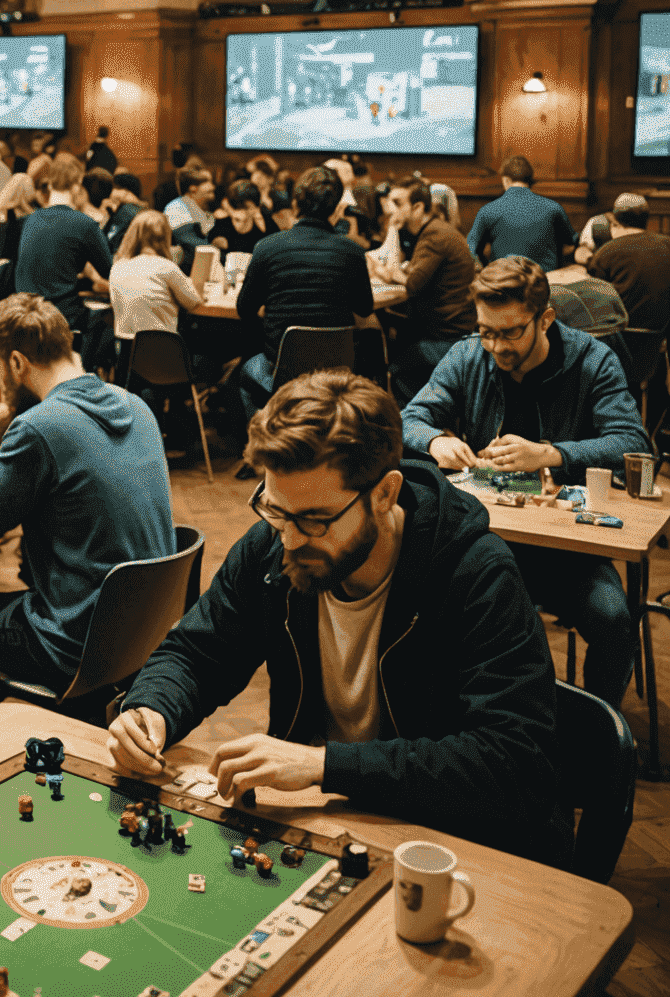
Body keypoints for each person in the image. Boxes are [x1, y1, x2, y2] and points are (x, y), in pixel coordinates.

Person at [108, 370, 570, 868]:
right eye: (274, 509)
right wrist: (151, 708)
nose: (287, 539)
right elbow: (198, 652)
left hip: (448, 848)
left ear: (385, 494)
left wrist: (322, 765)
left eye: (314, 520)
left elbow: (512, 763)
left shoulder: (476, 572)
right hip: (327, 826)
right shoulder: (275, 546)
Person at [0, 294, 175, 724]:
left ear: (18, 363)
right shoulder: (137, 406)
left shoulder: (40, 426)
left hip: (72, 639)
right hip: (141, 634)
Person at [402, 257, 648, 705]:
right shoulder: (469, 353)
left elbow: (633, 443)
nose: (495, 346)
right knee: (415, 601)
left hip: (567, 551)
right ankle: (462, 724)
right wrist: (436, 440)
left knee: (613, 620)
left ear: (545, 319)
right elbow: (409, 419)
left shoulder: (592, 360)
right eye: (486, 330)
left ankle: (597, 742)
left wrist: (552, 453)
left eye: (510, 332)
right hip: (486, 541)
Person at [234, 166, 373, 442]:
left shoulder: (267, 247)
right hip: (337, 371)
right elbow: (365, 308)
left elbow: (244, 310)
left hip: (281, 371)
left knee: (245, 373)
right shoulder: (353, 252)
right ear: (335, 211)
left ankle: (269, 448)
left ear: (295, 204)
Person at [372, 177, 477, 404]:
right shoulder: (436, 230)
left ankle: (408, 426)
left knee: (388, 361)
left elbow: (412, 285)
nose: (391, 209)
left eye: (398, 203)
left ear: (418, 208)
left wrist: (389, 273)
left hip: (448, 337)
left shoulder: (434, 236)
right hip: (453, 328)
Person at [13, 154, 112, 337]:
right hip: (60, 317)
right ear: (77, 186)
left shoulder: (31, 220)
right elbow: (109, 272)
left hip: (24, 314)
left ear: (50, 185)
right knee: (107, 322)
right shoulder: (84, 224)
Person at [467, 155, 575, 271]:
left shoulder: (487, 210)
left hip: (504, 281)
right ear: (530, 180)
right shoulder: (554, 208)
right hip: (545, 282)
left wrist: (486, 268)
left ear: (506, 180)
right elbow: (572, 243)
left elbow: (471, 249)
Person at [109, 211, 201, 339]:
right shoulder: (166, 267)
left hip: (126, 352)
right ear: (165, 238)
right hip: (163, 351)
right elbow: (193, 302)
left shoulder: (117, 267)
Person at [586, 192, 670, 332]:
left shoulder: (605, 252)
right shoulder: (667, 244)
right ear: (646, 218)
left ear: (615, 220)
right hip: (662, 338)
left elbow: (595, 304)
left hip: (622, 339)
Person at [209, 179, 272, 258]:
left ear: (257, 207)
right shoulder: (222, 224)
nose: (243, 212)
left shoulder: (266, 223)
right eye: (238, 207)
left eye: (247, 207)